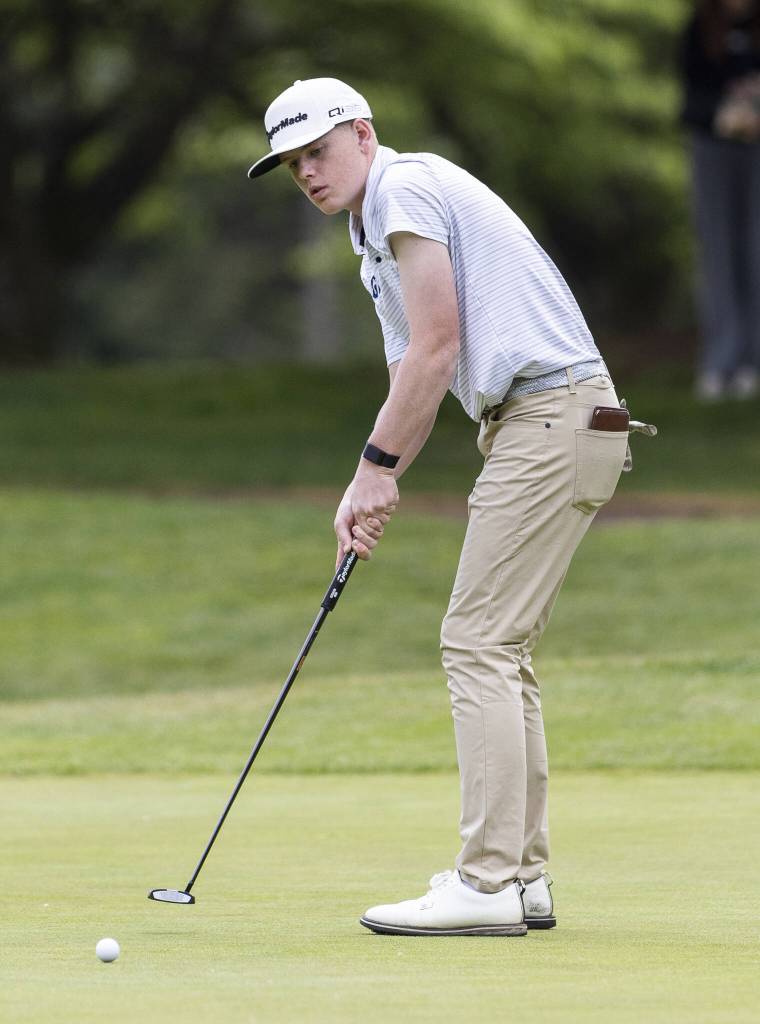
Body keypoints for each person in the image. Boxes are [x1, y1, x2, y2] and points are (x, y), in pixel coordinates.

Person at [248, 78, 630, 936]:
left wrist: (374, 469)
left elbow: (440, 345)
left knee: (477, 641)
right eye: (291, 162)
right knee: (502, 650)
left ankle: (486, 884)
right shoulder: (371, 232)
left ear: (362, 135)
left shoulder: (404, 188)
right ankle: (522, 879)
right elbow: (411, 376)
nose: (306, 172)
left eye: (318, 150)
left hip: (550, 411)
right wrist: (375, 483)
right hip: (548, 417)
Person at [680, 0, 760, 401]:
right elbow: (689, 96)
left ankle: (752, 363)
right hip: (713, 149)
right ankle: (719, 361)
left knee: (755, 252)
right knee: (718, 253)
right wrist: (721, 114)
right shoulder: (701, 25)